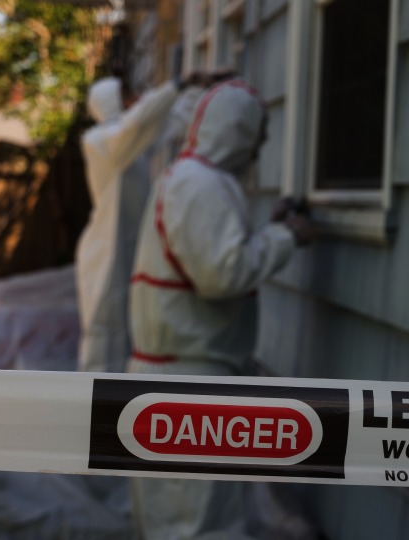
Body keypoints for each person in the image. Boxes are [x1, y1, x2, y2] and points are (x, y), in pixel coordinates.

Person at [126, 79, 312, 539]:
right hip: (188, 390)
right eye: (259, 135)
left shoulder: (189, 178)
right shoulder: (201, 185)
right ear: (239, 132)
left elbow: (208, 258)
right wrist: (287, 237)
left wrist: (267, 231)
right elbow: (221, 273)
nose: (261, 147)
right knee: (197, 524)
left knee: (171, 517)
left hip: (175, 381)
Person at [77, 72, 207, 373]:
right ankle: (90, 405)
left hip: (127, 247)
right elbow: (138, 122)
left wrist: (199, 89)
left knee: (126, 328)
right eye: (127, 94)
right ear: (112, 102)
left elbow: (169, 122)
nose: (135, 98)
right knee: (102, 332)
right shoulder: (100, 141)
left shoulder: (130, 145)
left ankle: (117, 404)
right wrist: (177, 84)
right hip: (103, 252)